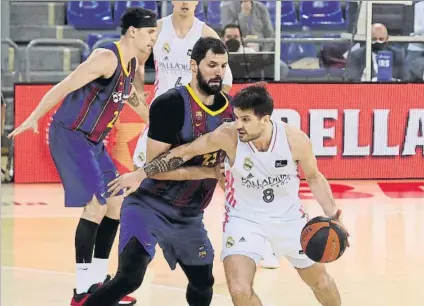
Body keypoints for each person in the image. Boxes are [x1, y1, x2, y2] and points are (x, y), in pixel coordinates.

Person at [111, 85, 350, 306]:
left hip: (288, 218)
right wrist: (142, 173)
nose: (238, 125)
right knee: (239, 290)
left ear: (265, 119)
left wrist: (333, 215)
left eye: (246, 119)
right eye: (236, 117)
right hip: (243, 219)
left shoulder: (295, 141)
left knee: (320, 283)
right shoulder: (228, 136)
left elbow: (315, 177)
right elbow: (184, 152)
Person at [8, 8, 158, 306]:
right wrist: (34, 115)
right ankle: (81, 291)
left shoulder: (133, 63)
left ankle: (100, 284)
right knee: (96, 205)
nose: (154, 37)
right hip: (70, 135)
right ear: (132, 31)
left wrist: (165, 125)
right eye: (150, 32)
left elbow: (136, 103)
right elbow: (64, 86)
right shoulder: (106, 58)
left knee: (116, 202)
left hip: (94, 142)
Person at [83, 37, 233, 306]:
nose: (218, 71)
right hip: (148, 206)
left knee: (203, 283)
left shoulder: (231, 112)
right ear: (193, 65)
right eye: (211, 64)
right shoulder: (170, 104)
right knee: (129, 278)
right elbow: (155, 170)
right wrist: (208, 171)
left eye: (223, 65)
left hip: (189, 215)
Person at [132, 0, 233, 170]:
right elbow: (136, 63)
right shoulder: (157, 29)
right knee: (140, 167)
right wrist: (140, 93)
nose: (185, 2)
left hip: (191, 114)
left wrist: (206, 110)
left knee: (193, 172)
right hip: (161, 111)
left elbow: (226, 80)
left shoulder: (206, 34)